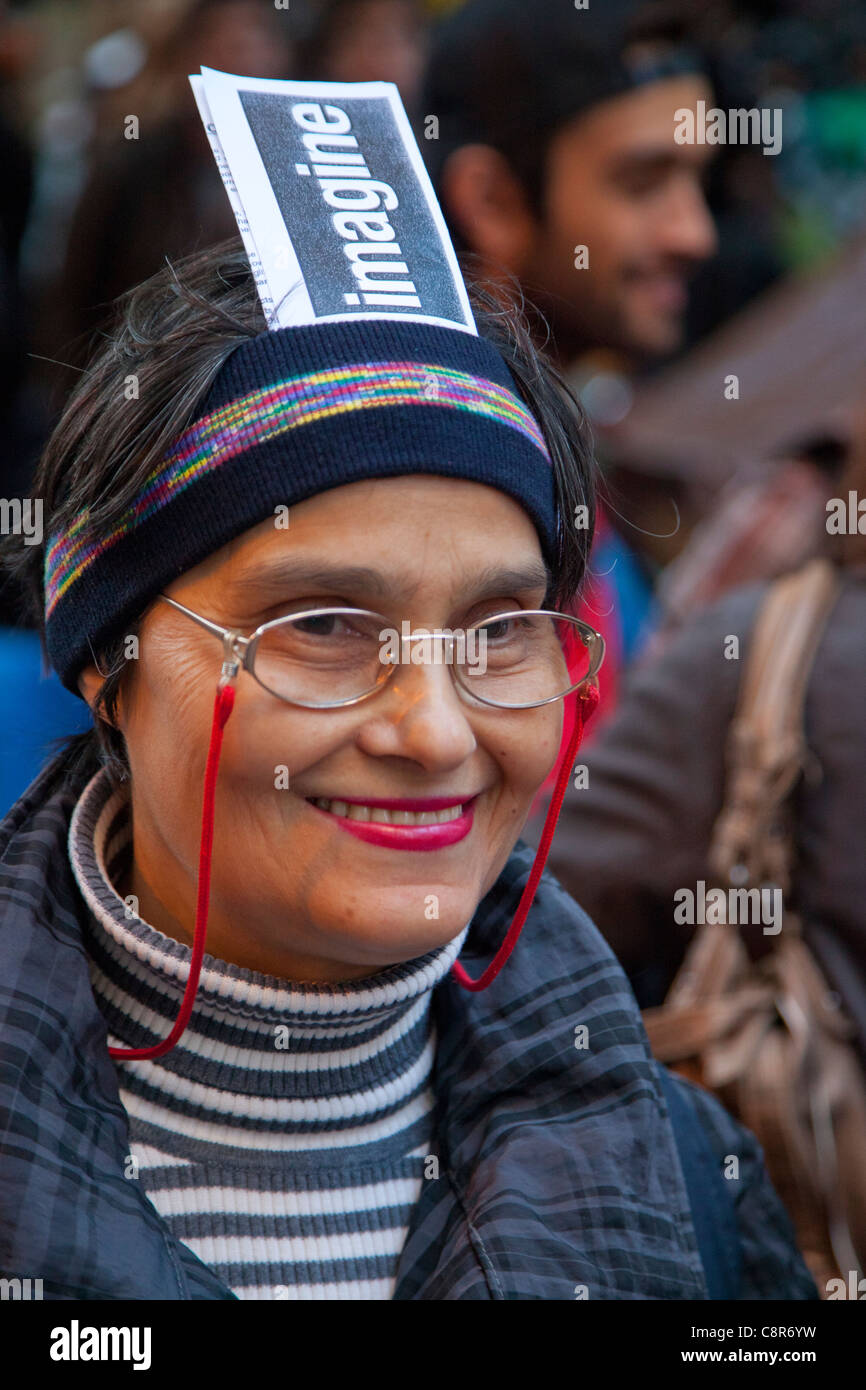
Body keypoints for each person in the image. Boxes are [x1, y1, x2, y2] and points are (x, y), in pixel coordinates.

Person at [0, 239, 817, 1301]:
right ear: (111, 666)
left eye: (495, 632)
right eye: (325, 624)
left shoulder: (685, 1176)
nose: (432, 733)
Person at [421, 0, 720, 723]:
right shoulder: (434, 478)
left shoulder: (568, 438)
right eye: (643, 182)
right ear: (493, 200)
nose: (696, 234)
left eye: (698, 180)